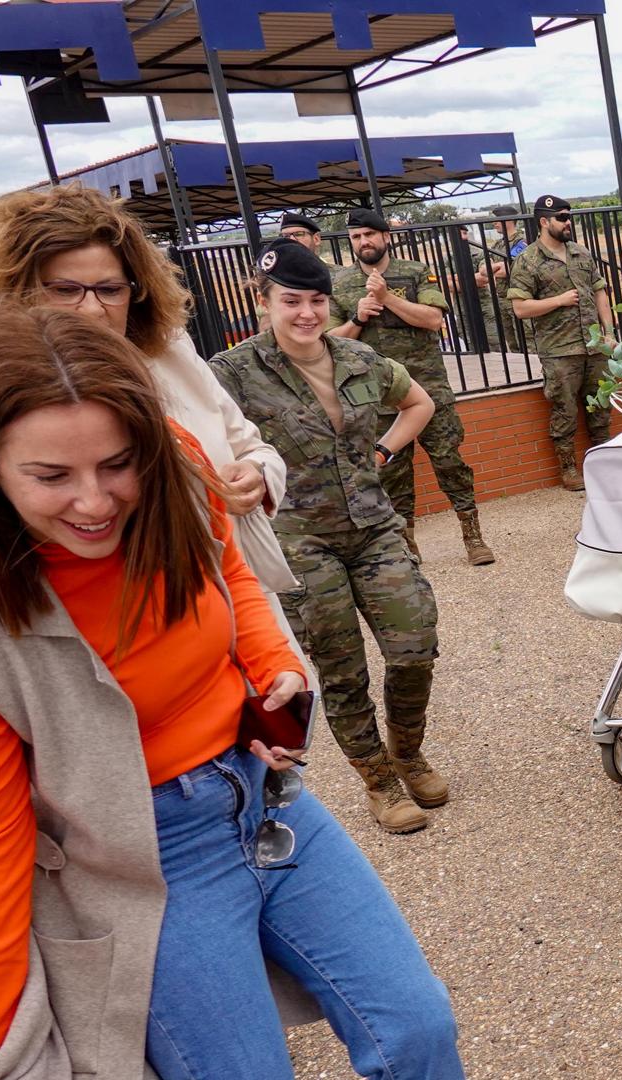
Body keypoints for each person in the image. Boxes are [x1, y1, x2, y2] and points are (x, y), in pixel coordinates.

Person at [0, 304, 461, 1079]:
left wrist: (278, 664)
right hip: (139, 861)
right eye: (50, 476)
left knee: (416, 1028)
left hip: (264, 798)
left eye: (116, 464)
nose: (96, 502)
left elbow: (228, 574)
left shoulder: (176, 465)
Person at [0, 185, 307, 669]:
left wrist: (257, 476)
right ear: (17, 289)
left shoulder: (171, 355)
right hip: (104, 642)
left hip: (234, 609)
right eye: (65, 289)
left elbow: (252, 447)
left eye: (111, 289)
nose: (92, 309)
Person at [211, 239, 450, 835]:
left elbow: (418, 403)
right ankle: (379, 781)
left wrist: (383, 449)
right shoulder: (231, 373)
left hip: (374, 528)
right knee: (342, 669)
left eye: (317, 300)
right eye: (290, 300)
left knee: (415, 645)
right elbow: (199, 444)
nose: (306, 313)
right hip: (298, 541)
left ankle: (409, 752)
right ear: (262, 300)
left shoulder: (359, 359)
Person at [327, 208, 495, 566]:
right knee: (392, 474)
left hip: (429, 390)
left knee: (450, 462)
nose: (363, 242)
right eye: (356, 237)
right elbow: (329, 341)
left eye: (369, 234)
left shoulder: (416, 272)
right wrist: (358, 317)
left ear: (386, 237)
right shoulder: (341, 285)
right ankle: (407, 545)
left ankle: (473, 535)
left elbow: (434, 320)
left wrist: (388, 298)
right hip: (377, 400)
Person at [507, 193, 613, 490]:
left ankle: (606, 465)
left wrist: (610, 333)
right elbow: (520, 308)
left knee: (601, 408)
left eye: (570, 217)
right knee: (564, 411)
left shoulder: (581, 253)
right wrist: (559, 300)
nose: (568, 223)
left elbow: (600, 291)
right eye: (562, 218)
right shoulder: (528, 260)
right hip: (559, 350)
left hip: (594, 345)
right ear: (544, 221)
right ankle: (569, 470)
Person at [472, 206, 527, 353]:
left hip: (518, 297)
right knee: (512, 343)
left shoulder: (522, 242)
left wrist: (492, 269)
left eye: (497, 219)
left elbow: (508, 270)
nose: (494, 223)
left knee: (525, 341)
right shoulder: (497, 245)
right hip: (502, 298)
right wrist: (494, 268)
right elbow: (483, 268)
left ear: (508, 220)